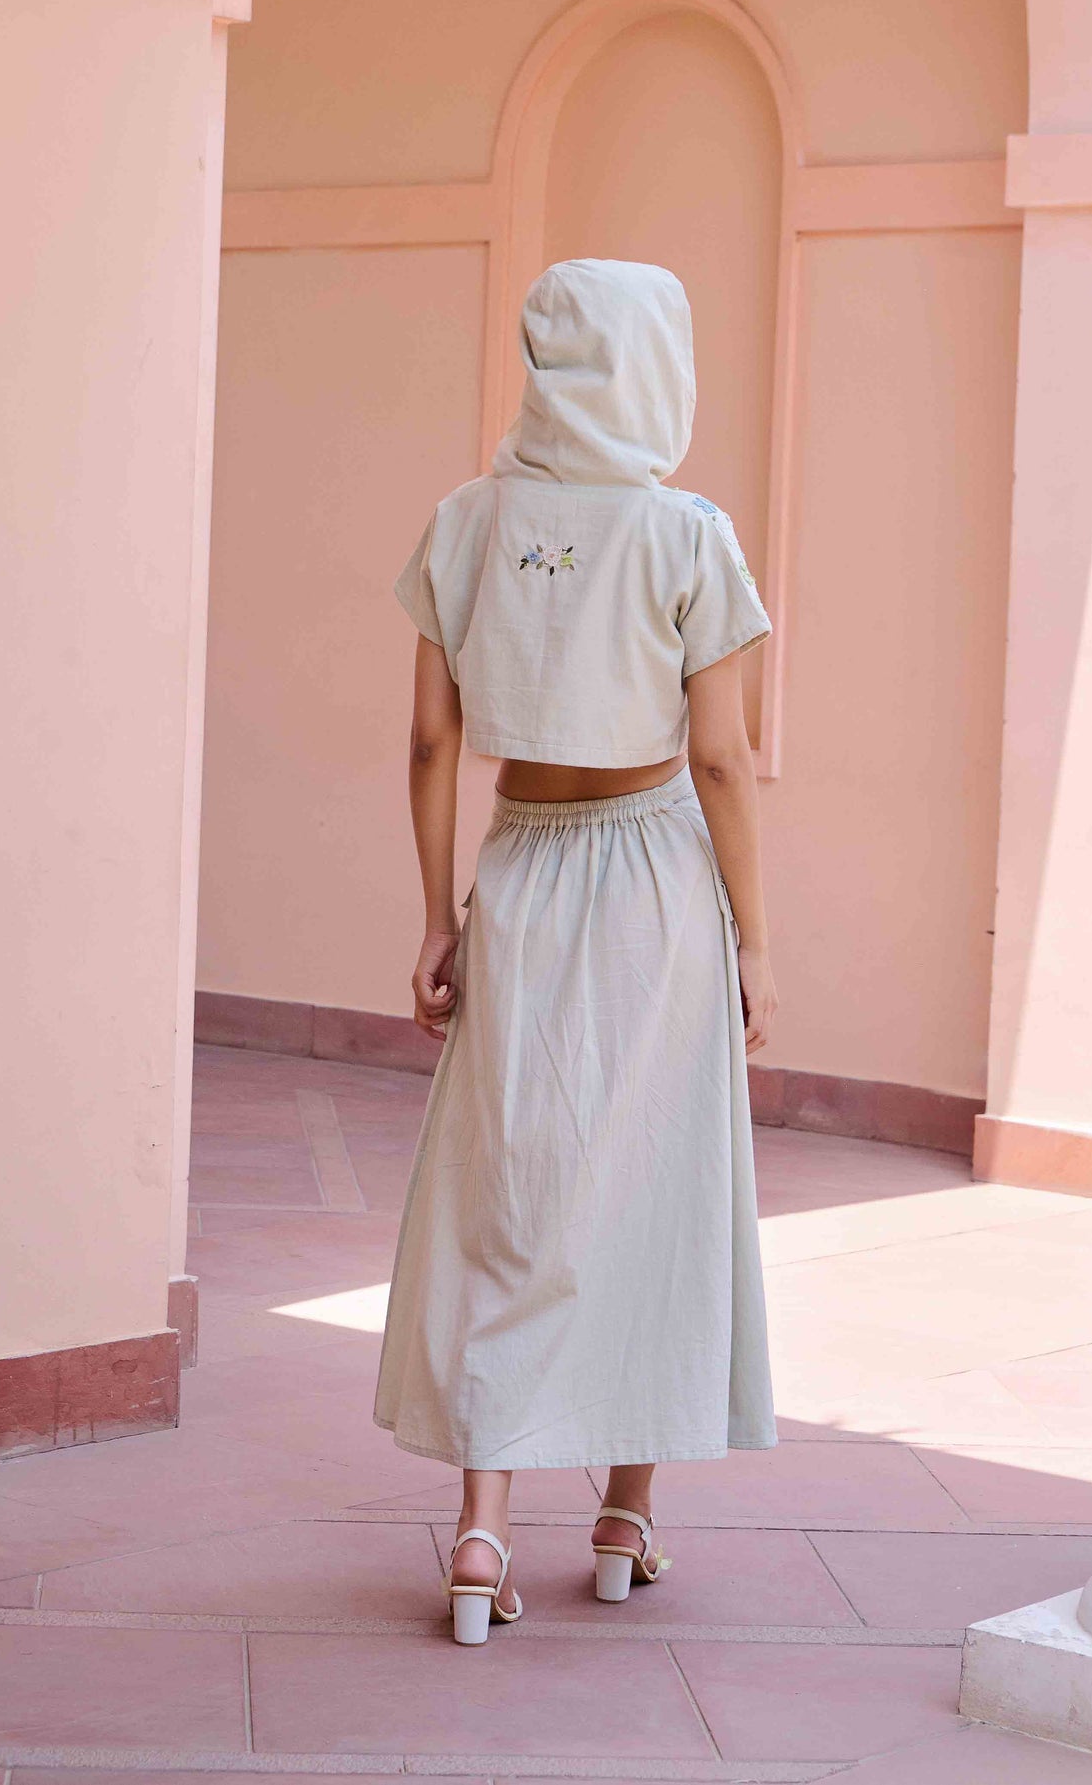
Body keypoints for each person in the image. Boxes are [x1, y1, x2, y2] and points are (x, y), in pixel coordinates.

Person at [373, 258, 777, 1645]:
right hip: (657, 874)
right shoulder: (687, 534)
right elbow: (720, 761)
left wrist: (437, 916)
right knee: (657, 1180)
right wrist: (755, 937)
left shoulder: (466, 522)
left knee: (510, 1186)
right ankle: (623, 1513)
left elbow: (430, 741)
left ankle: (482, 1529)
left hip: (524, 871)